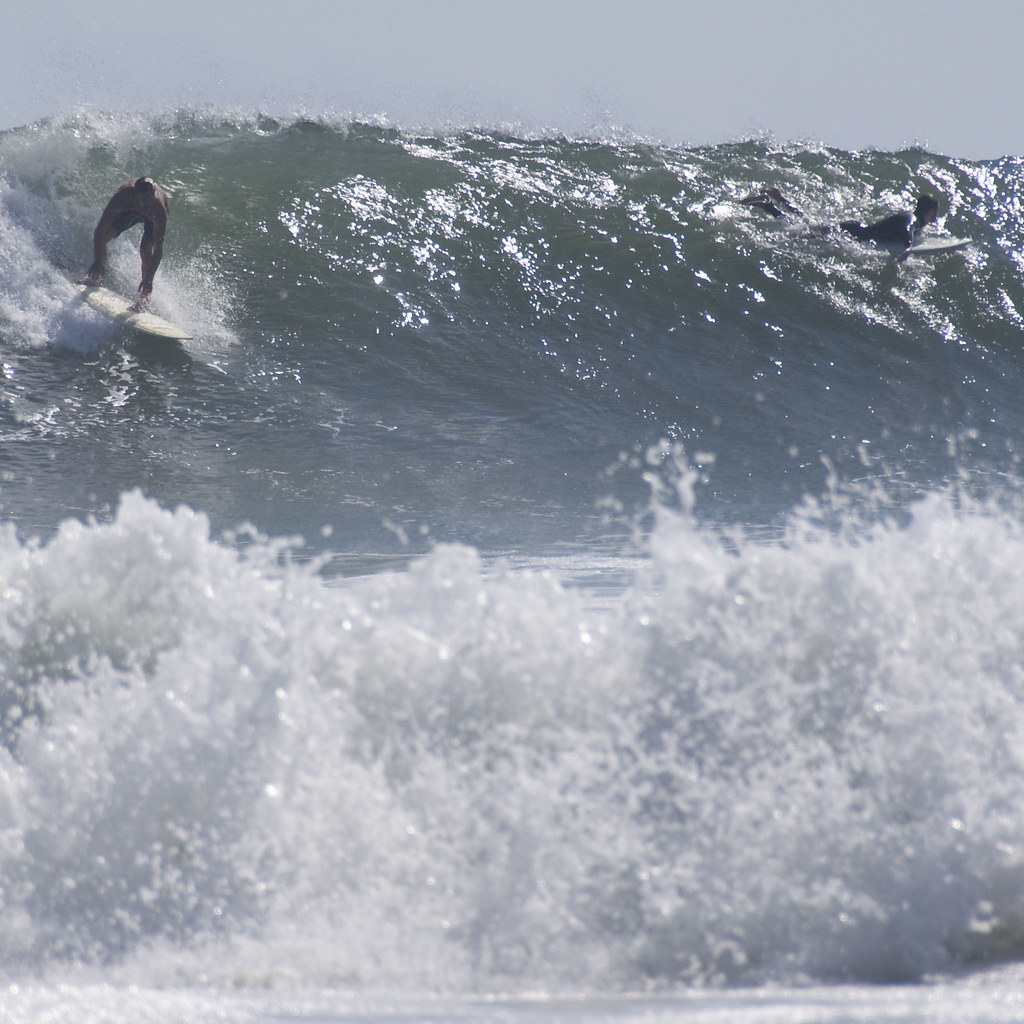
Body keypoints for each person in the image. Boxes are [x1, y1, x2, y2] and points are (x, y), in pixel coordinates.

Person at [741, 187, 940, 248]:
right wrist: (906, 251)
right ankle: (769, 205)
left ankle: (779, 199)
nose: (935, 216)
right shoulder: (912, 219)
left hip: (853, 228)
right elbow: (908, 230)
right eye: (934, 212)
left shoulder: (912, 218)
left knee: (807, 224)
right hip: (852, 232)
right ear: (928, 211)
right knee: (801, 231)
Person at [81, 177, 169, 305]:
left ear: (154, 195)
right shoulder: (121, 199)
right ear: (134, 195)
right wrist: (98, 261)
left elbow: (158, 249)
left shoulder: (157, 208)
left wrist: (149, 279)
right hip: (130, 210)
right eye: (144, 200)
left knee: (146, 249)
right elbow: (99, 231)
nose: (147, 204)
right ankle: (97, 277)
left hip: (152, 218)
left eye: (150, 198)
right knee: (105, 236)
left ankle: (144, 299)